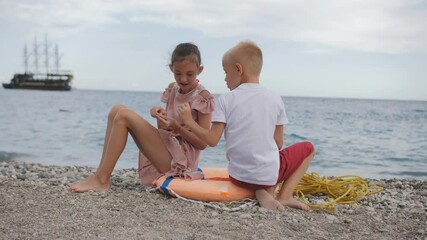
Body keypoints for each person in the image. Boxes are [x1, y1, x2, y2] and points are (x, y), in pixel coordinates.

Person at [176, 41, 315, 211]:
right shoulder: (275, 99)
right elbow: (278, 143)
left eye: (226, 72)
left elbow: (212, 140)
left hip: (238, 176)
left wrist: (189, 121)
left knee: (259, 164)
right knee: (308, 148)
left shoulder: (226, 99)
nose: (225, 78)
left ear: (238, 69)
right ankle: (282, 195)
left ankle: (259, 190)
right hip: (268, 177)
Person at [69, 43, 214, 192]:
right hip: (167, 150)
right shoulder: (173, 89)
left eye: (189, 74)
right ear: (171, 68)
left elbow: (203, 143)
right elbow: (164, 131)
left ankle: (101, 180)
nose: (183, 79)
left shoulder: (203, 98)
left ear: (199, 70)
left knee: (124, 116)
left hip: (182, 163)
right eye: (178, 73)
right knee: (116, 110)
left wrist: (178, 127)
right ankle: (100, 174)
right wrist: (160, 116)